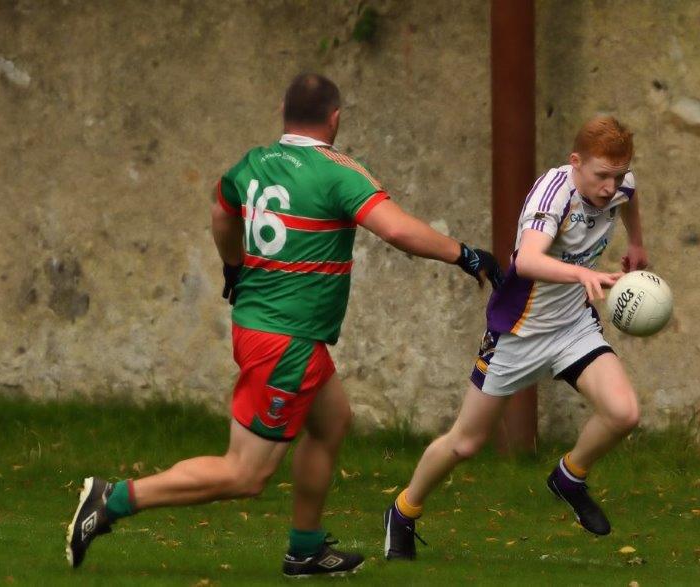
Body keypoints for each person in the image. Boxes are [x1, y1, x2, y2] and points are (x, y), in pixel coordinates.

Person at [66, 72, 503, 578]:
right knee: (246, 473)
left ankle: (306, 549)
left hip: (267, 327)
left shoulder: (251, 164)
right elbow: (398, 229)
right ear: (334, 118)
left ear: (282, 109)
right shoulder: (338, 171)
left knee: (331, 421)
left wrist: (233, 267)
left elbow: (220, 209)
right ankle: (113, 499)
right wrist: (466, 256)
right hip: (286, 340)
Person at [383, 115, 648, 560]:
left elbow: (632, 194)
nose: (610, 186)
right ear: (575, 162)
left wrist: (637, 242)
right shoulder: (553, 195)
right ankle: (404, 509)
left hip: (571, 327)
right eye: (601, 175)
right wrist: (582, 272)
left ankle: (570, 476)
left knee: (624, 413)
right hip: (517, 333)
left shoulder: (620, 182)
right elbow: (526, 260)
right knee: (465, 442)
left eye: (617, 175)